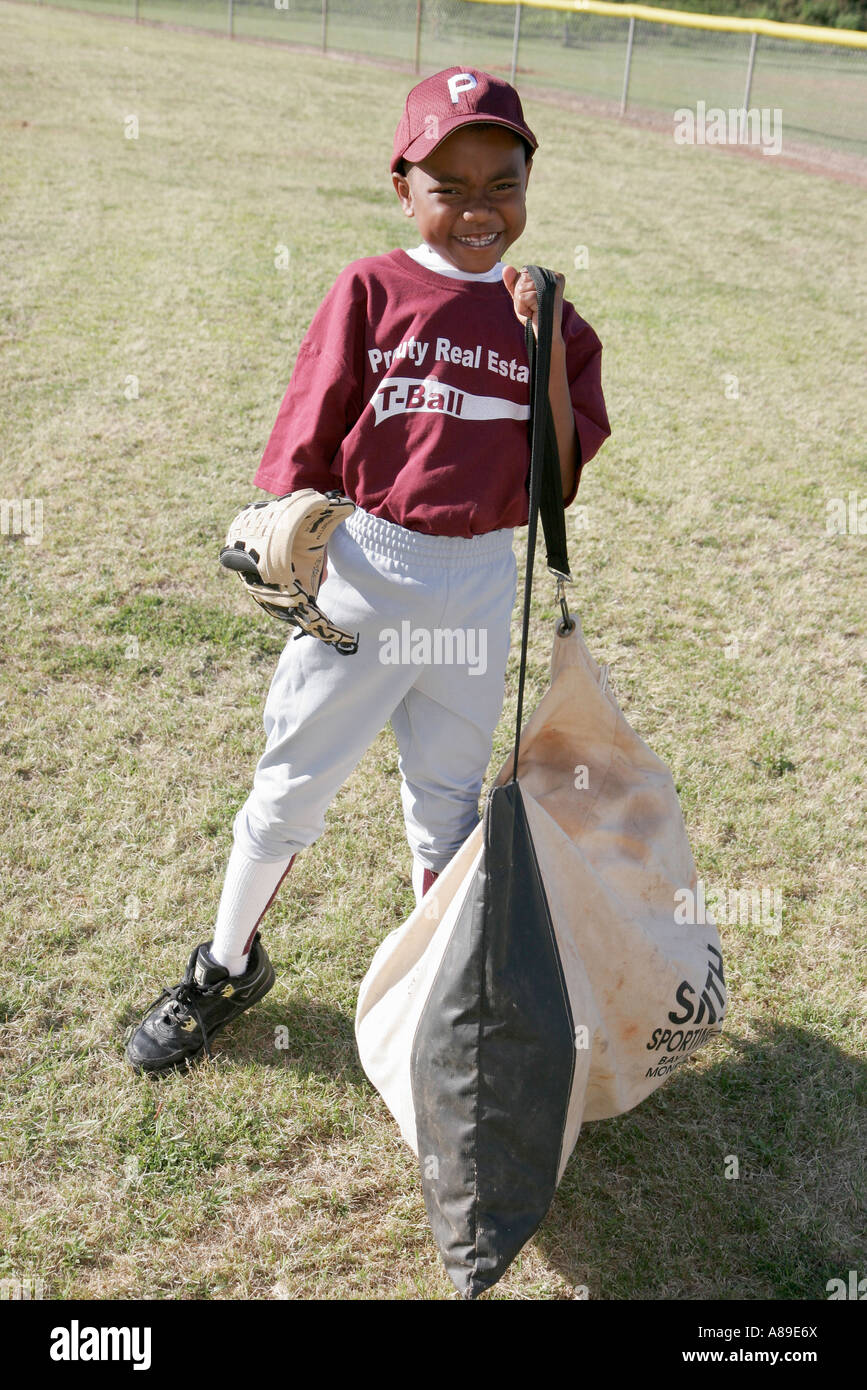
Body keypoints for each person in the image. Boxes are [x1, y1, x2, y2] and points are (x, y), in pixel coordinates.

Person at [126, 67, 610, 1074]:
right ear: (403, 187)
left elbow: (557, 476)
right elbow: (315, 418)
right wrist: (282, 513)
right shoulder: (372, 285)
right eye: (450, 185)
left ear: (529, 183)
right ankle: (224, 965)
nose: (478, 208)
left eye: (500, 183)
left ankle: (444, 992)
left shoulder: (548, 313)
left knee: (448, 797)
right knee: (292, 783)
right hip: (367, 567)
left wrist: (541, 345)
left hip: (480, 577)